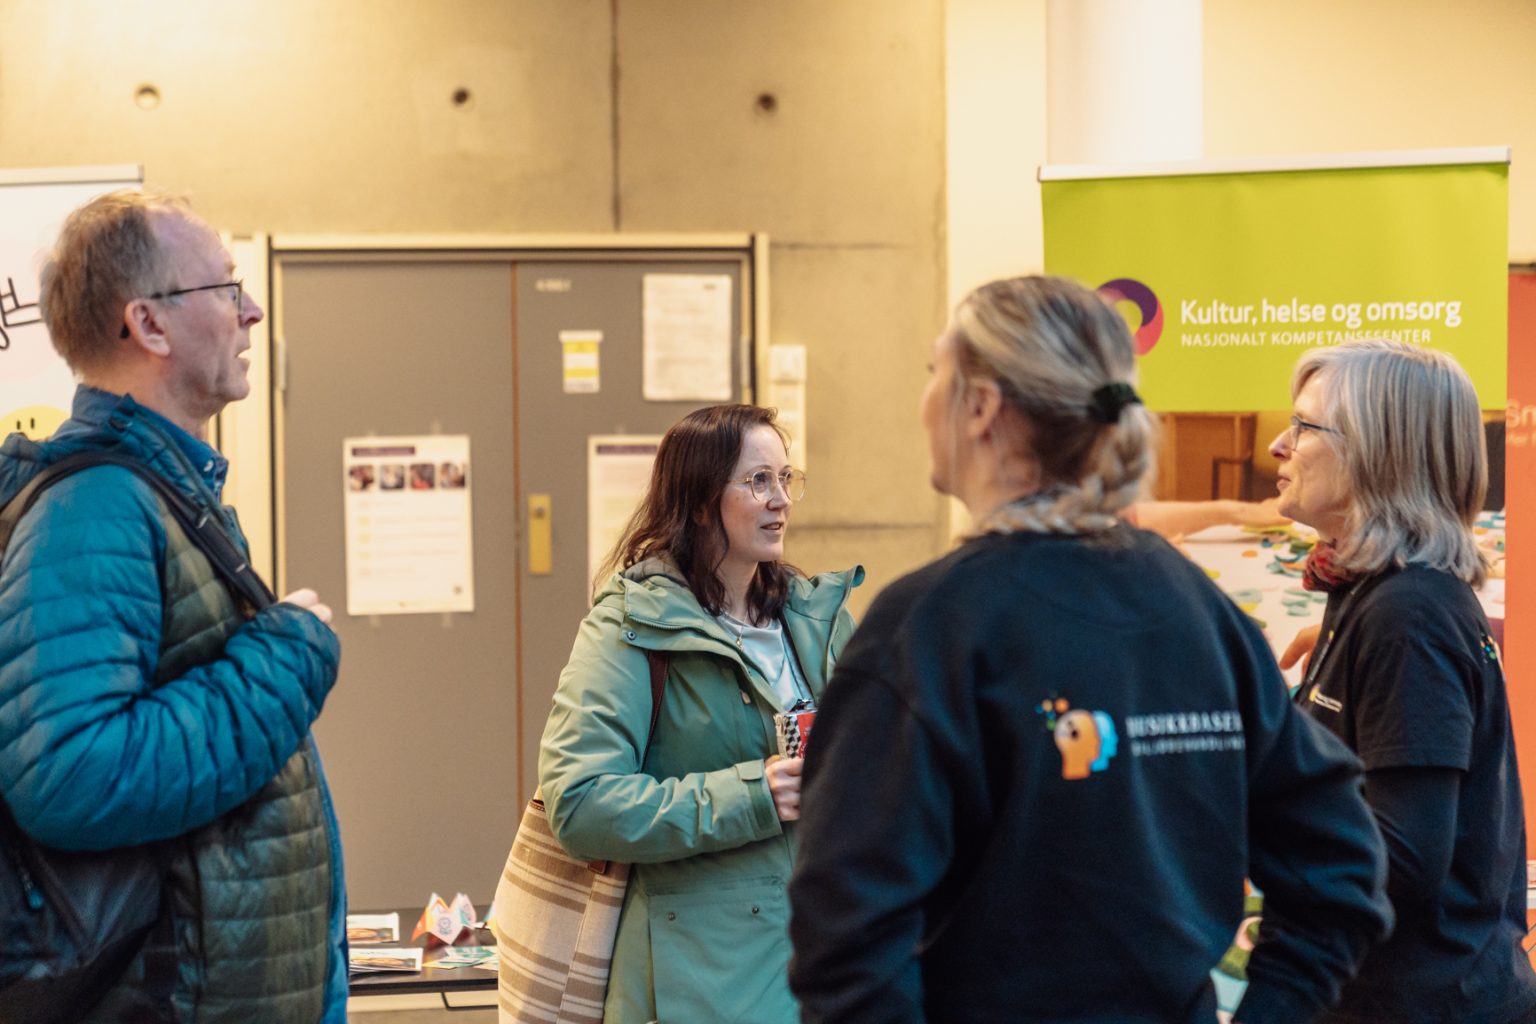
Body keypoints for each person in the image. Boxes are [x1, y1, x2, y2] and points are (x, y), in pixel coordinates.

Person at [787, 275, 1392, 1024]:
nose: (924, 401)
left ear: (980, 407)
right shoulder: (1195, 608)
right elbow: (1339, 863)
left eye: (933, 373)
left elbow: (846, 945)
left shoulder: (928, 627)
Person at [0, 191, 346, 1021]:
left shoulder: (160, 492)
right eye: (227, 288)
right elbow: (71, 774)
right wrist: (286, 658)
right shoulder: (96, 509)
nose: (252, 311)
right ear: (149, 327)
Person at [535, 403, 861, 1023]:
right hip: (699, 980)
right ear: (698, 498)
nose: (781, 501)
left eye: (785, 479)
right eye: (758, 481)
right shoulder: (630, 626)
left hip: (821, 961)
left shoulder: (818, 618)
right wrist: (754, 796)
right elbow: (580, 802)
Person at [1270, 339, 1536, 1024]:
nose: (1278, 444)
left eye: (1304, 427)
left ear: (1376, 452)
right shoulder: (1375, 595)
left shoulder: (1407, 613)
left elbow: (1403, 864)